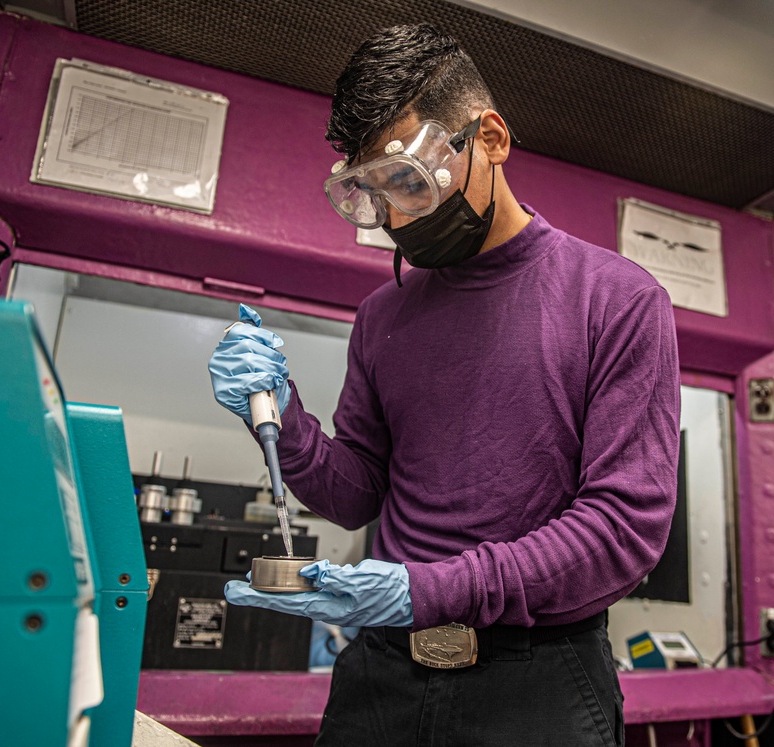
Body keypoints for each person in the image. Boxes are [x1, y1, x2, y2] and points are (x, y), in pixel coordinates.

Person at [209, 23, 680, 747]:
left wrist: (423, 588)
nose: (397, 218)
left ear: (488, 138)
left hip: (536, 685)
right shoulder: (382, 317)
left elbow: (623, 529)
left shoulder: (616, 299)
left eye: (408, 181)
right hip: (380, 676)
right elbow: (358, 491)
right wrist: (282, 414)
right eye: (372, 192)